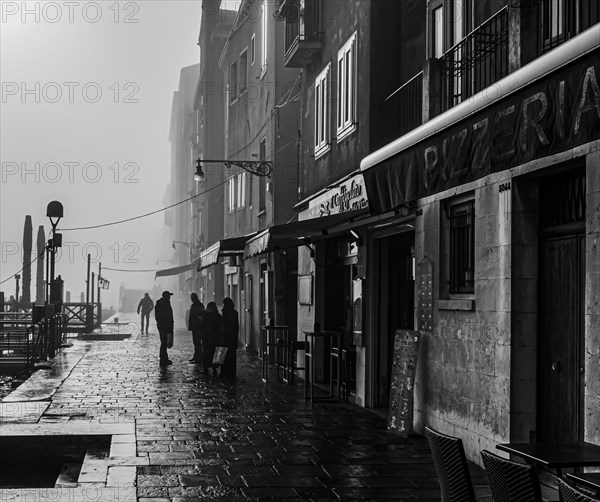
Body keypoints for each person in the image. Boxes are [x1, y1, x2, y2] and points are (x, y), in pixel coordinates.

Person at [202, 301, 223, 375]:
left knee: (209, 353)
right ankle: (212, 368)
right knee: (212, 353)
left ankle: (208, 368)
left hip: (211, 338)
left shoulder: (207, 316)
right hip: (211, 338)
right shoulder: (217, 316)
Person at [221, 297, 239, 379]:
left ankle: (224, 372)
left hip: (226, 337)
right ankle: (231, 372)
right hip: (232, 337)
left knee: (225, 355)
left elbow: (224, 325)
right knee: (231, 355)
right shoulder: (234, 313)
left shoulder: (225, 312)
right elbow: (236, 326)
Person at [154, 291, 174, 366]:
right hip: (165, 326)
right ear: (166, 296)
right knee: (164, 343)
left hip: (162, 326)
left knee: (164, 342)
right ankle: (163, 359)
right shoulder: (164, 303)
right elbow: (167, 316)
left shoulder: (160, 303)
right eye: (169, 296)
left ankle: (164, 358)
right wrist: (169, 326)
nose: (170, 297)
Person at [188, 293, 205, 364]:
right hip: (195, 326)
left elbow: (201, 315)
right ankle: (196, 356)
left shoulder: (199, 305)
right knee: (195, 342)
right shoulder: (194, 305)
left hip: (198, 326)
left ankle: (199, 358)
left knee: (197, 342)